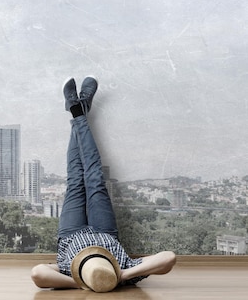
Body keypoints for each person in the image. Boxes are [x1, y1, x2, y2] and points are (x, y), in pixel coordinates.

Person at [31, 76, 176, 292]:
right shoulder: (124, 272)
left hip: (72, 233)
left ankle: (78, 111)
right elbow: (168, 258)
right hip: (104, 230)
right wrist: (120, 274)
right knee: (94, 178)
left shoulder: (68, 272)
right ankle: (78, 111)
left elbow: (38, 273)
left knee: (75, 179)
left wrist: (82, 281)